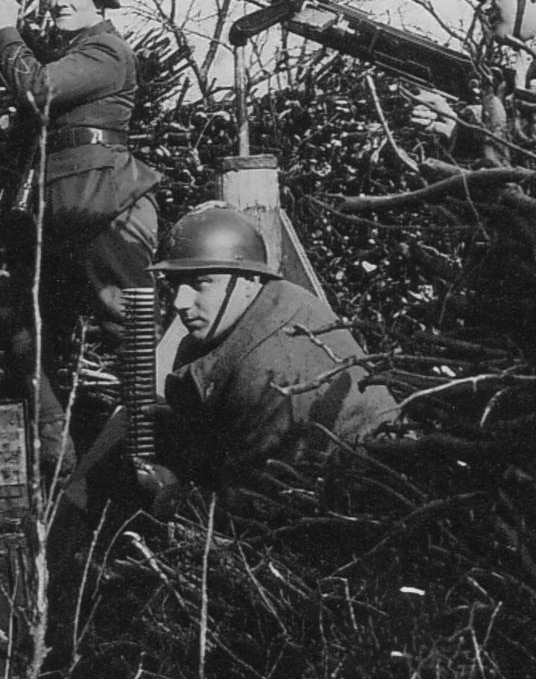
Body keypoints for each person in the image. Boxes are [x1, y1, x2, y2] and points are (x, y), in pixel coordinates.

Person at [0, 0, 160, 471]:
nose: (60, 1)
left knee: (131, 331)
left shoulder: (106, 50)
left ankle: (150, 458)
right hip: (59, 212)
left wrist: (4, 31)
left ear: (100, 4)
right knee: (21, 326)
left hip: (104, 205)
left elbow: (39, 90)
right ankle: (54, 455)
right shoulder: (74, 52)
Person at [140, 204, 398, 509]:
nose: (181, 302)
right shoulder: (270, 301)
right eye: (174, 285)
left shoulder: (272, 370)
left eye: (201, 283)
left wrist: (169, 498)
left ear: (249, 281)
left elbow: (258, 505)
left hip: (358, 507)